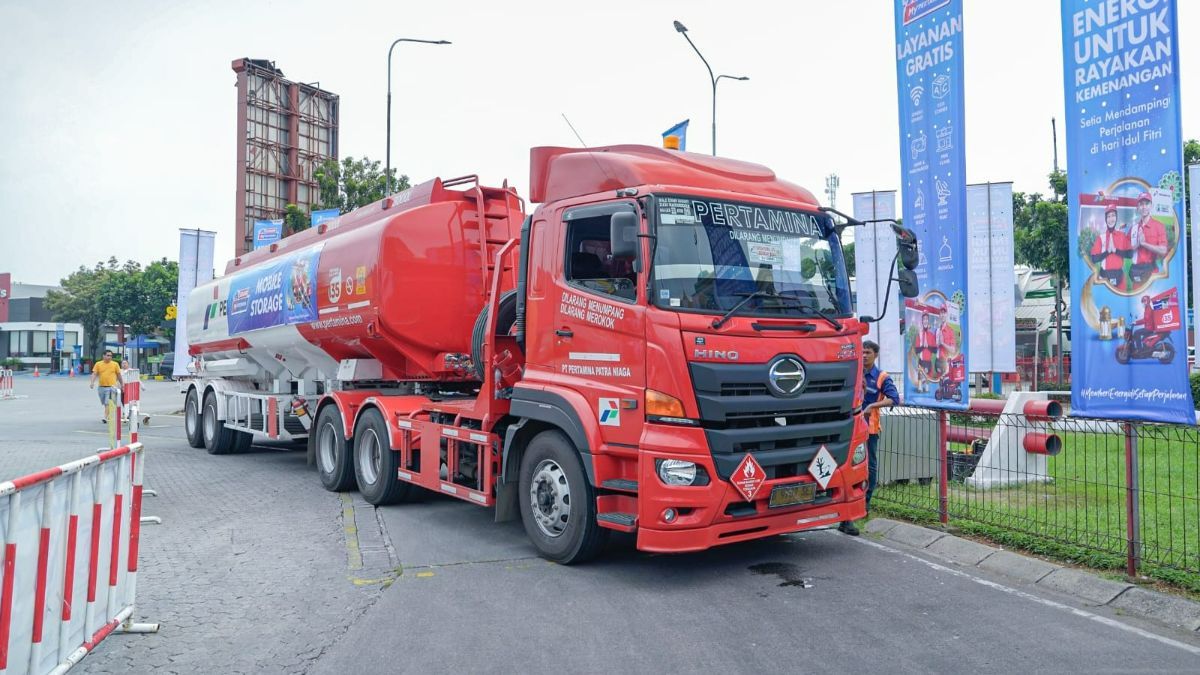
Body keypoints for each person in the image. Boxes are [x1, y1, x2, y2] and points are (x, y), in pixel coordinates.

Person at [839, 340, 899, 536]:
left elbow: (894, 398)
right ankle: (845, 512)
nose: (864, 356)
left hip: (870, 430)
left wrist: (873, 406)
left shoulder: (881, 377)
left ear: (876, 355)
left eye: (868, 353)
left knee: (869, 468)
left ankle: (865, 504)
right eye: (862, 352)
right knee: (847, 469)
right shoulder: (853, 372)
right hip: (850, 430)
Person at [1089, 204, 1131, 290]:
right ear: (1105, 219)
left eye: (1113, 216)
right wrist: (1107, 252)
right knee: (1105, 302)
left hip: (1120, 277)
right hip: (1104, 277)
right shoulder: (1101, 237)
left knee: (1120, 301)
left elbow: (1130, 254)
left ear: (1116, 217)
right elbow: (1094, 258)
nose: (1111, 219)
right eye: (1108, 216)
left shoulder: (1122, 235)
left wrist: (1116, 251)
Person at [1129, 192, 1167, 285]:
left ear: (1151, 206)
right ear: (1138, 208)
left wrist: (1144, 244)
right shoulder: (1133, 228)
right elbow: (1127, 251)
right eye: (1141, 204)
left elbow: (1163, 250)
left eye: (1146, 203)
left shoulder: (1159, 226)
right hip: (1135, 272)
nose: (1144, 207)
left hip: (1152, 273)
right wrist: (1138, 244)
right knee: (1136, 298)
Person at [89, 350, 124, 424]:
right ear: (103, 356)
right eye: (108, 355)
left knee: (107, 402)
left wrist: (122, 384)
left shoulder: (115, 364)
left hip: (111, 387)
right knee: (105, 403)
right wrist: (92, 382)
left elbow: (119, 375)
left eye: (111, 356)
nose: (109, 357)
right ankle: (109, 413)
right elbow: (94, 374)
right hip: (101, 387)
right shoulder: (98, 364)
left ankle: (105, 417)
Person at [915, 313, 938, 392]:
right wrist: (923, 347)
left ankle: (927, 387)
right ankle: (920, 387)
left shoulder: (931, 335)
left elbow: (935, 350)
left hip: (928, 361)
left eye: (926, 319)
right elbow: (916, 350)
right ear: (922, 321)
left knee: (927, 375)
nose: (925, 321)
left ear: (928, 321)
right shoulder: (919, 334)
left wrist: (928, 346)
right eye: (924, 319)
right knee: (920, 374)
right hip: (921, 360)